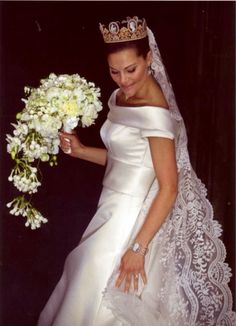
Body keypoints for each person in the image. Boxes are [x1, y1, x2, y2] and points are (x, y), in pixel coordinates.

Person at [38, 16, 235, 325]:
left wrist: (138, 248)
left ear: (149, 58)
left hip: (129, 220)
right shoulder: (121, 96)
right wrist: (80, 151)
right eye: (114, 71)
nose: (123, 80)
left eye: (131, 69)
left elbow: (169, 187)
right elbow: (125, 161)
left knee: (93, 288)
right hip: (109, 209)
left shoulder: (155, 112)